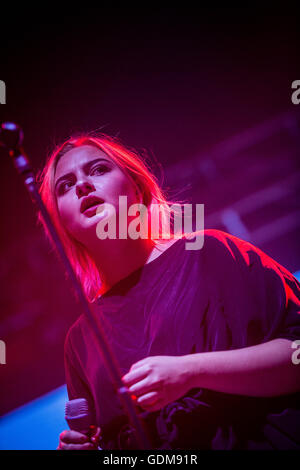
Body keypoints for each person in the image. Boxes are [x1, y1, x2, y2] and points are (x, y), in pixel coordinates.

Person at [38, 133, 300, 450]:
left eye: (98, 170)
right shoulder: (80, 342)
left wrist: (191, 372)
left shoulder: (210, 253)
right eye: (64, 186)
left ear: (137, 188)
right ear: (60, 222)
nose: (82, 186)